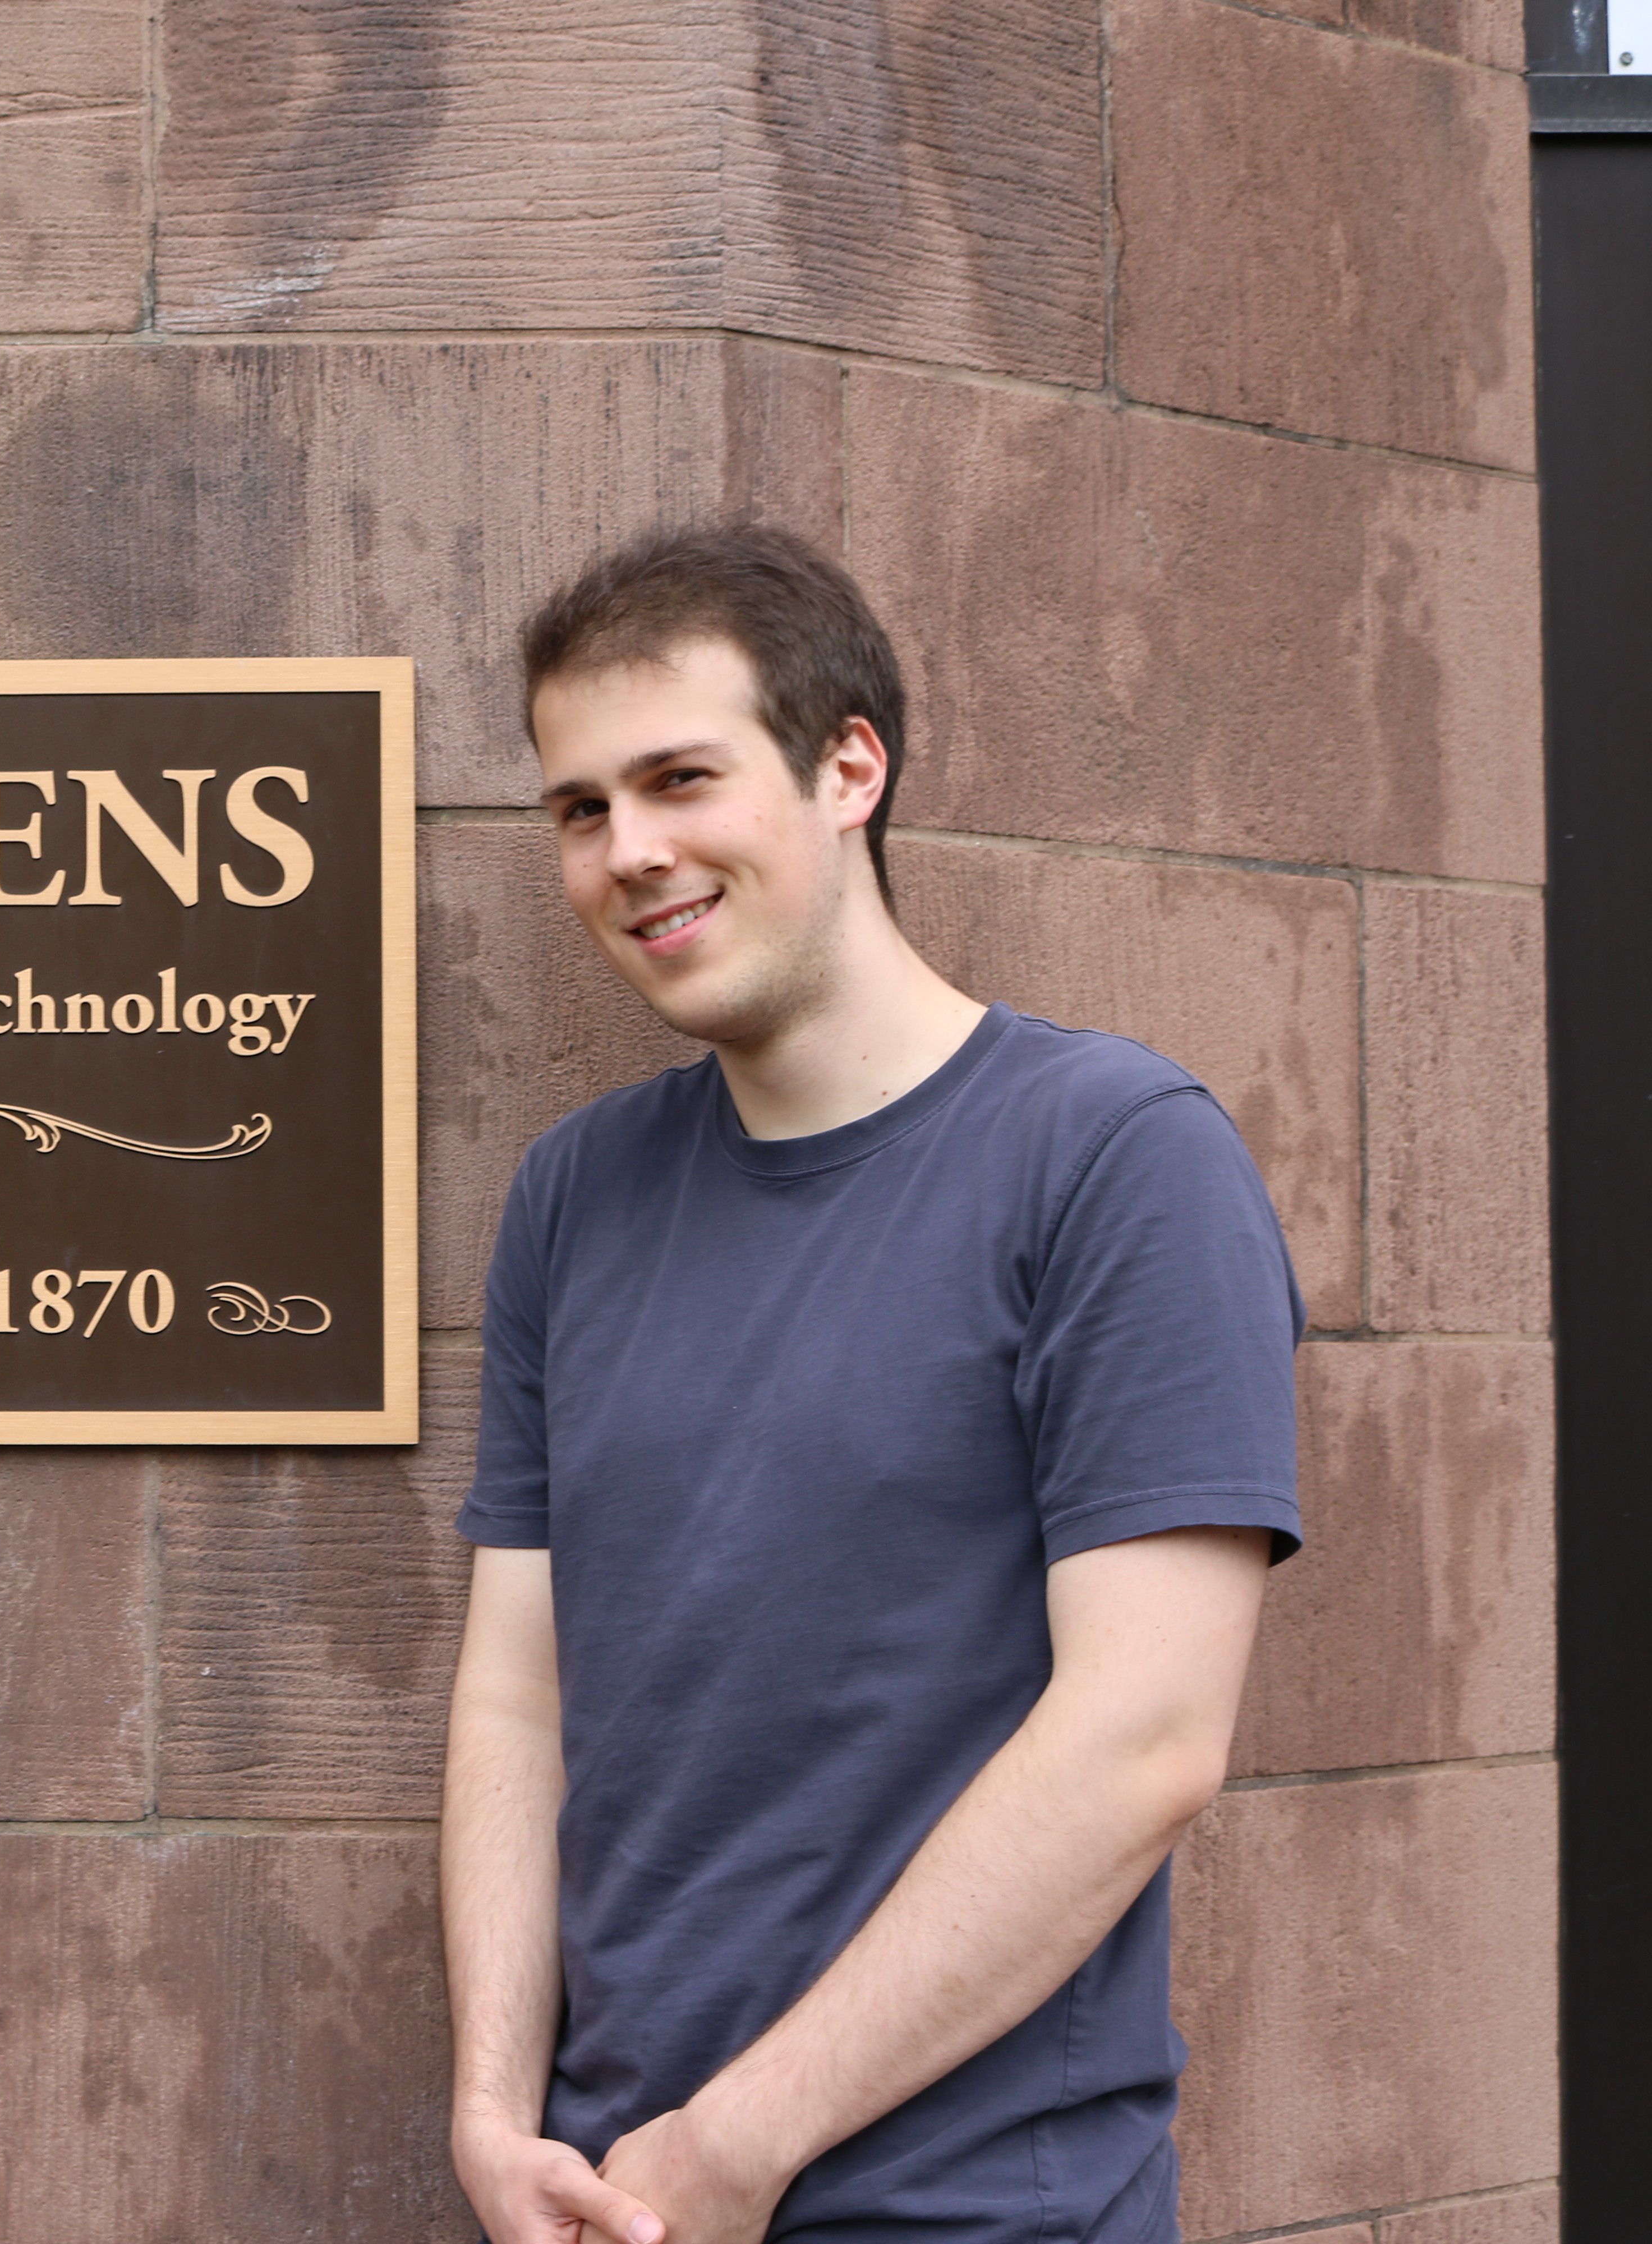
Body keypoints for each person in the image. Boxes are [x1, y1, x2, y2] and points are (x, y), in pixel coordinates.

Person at [443, 527, 1303, 2244]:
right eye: (580, 809)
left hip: (976, 2206)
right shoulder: (574, 1194)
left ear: (850, 769)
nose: (630, 851)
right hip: (610, 2193)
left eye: (681, 778)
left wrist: (739, 2144)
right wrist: (490, 2112)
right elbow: (521, 1696)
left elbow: (1143, 1741)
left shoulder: (1113, 1158)